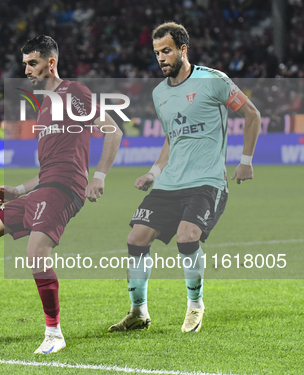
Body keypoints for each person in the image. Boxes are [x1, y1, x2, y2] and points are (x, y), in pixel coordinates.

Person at [0, 35, 123, 353]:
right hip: (47, 186)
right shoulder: (45, 107)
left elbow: (113, 130)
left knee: (36, 252)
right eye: (24, 64)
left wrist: (99, 177)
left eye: (32, 63)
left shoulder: (73, 92)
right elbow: (50, 167)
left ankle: (54, 334)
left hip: (66, 190)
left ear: (52, 63)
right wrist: (17, 190)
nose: (26, 70)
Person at [108, 22, 261, 334]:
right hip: (170, 183)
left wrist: (246, 161)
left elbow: (252, 114)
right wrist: (153, 172)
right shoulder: (159, 93)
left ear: (182, 50)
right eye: (156, 53)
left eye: (166, 51)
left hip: (207, 181)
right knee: (136, 239)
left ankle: (195, 306)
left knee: (187, 236)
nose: (161, 58)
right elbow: (171, 138)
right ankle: (138, 312)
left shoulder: (214, 80)